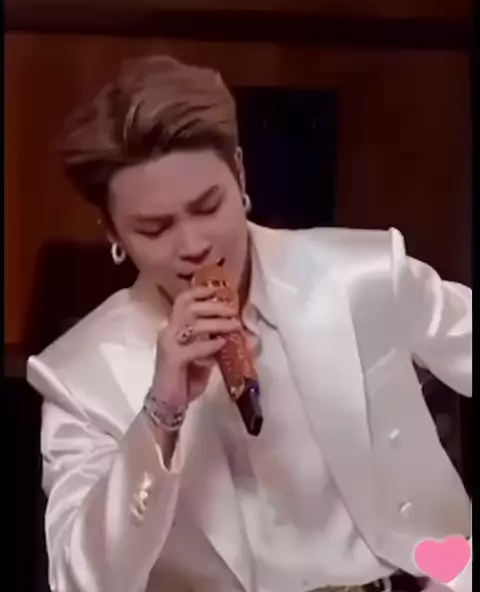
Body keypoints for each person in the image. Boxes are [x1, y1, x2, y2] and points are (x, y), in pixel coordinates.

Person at [26, 55, 471, 592]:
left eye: (207, 207)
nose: (193, 244)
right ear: (112, 232)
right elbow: (81, 580)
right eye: (155, 228)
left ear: (239, 173)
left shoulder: (363, 276)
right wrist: (161, 413)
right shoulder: (78, 376)